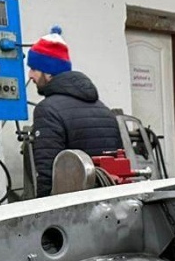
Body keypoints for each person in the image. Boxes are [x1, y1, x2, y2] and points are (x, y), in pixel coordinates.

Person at [26, 27, 122, 196]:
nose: (30, 76)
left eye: (34, 69)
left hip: (74, 205)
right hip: (108, 203)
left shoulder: (47, 110)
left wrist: (45, 208)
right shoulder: (104, 110)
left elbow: (49, 174)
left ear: (48, 71)